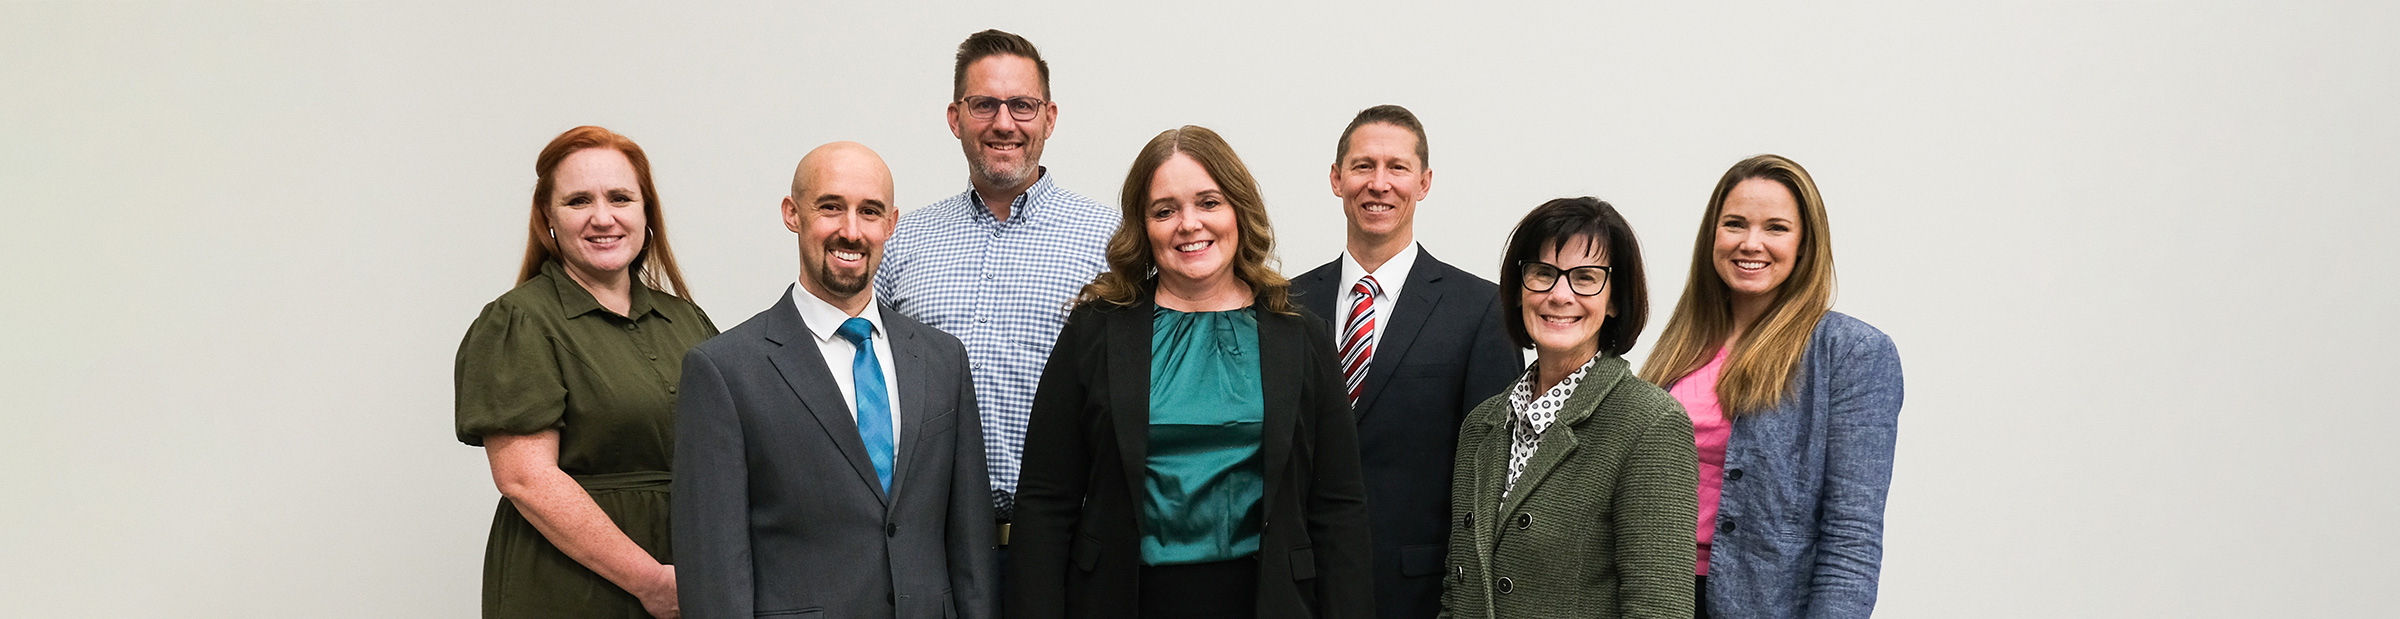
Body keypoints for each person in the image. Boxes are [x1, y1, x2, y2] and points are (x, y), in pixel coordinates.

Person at [1009, 126, 1373, 619]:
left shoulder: (1301, 335)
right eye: (1165, 211)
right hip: (1122, 599)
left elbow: (1338, 508)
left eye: (1209, 202)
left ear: (1238, 210)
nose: (1189, 223)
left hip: (1269, 601)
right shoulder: (1094, 331)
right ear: (1143, 226)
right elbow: (1045, 501)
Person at [673, 142, 997, 619]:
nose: (851, 230)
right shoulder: (724, 371)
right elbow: (713, 569)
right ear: (792, 214)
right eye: (830, 207)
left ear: (891, 224)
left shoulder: (942, 359)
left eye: (870, 211)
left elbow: (971, 548)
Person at [454, 125, 715, 619]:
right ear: (548, 218)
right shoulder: (520, 321)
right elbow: (525, 480)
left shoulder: (686, 321)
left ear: (646, 212)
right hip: (571, 588)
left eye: (620, 198)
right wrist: (651, 581)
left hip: (686, 581)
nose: (603, 217)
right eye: (578, 201)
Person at [876, 29, 1119, 556]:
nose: (1004, 123)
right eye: (984, 104)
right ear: (955, 118)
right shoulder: (900, 242)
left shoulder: (1111, 242)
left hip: (1061, 545)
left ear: (1049, 118)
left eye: (1022, 105)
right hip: (927, 546)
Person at [1637, 155, 1904, 619]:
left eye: (1776, 228)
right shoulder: (1682, 344)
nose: (1751, 243)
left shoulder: (1851, 353)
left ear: (1804, 244)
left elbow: (1852, 535)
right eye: (1735, 224)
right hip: (1654, 595)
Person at [1291, 105, 1520, 619]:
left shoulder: (1482, 310)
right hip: (1298, 587)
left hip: (1419, 593)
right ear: (1336, 179)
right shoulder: (1284, 305)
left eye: (1397, 167)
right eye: (1363, 166)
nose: (1379, 183)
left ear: (1424, 182)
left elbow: (1494, 476)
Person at [1444, 197, 1696, 619]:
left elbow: (1659, 608)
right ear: (1519, 288)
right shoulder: (1481, 424)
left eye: (1585, 278)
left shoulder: (1651, 424)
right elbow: (1457, 595)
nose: (1560, 295)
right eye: (1543, 273)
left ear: (1614, 300)